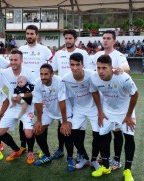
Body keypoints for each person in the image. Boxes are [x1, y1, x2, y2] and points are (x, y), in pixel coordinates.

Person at [90, 55, 138, 181]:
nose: (100, 71)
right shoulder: (94, 77)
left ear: (112, 68)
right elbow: (94, 91)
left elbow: (135, 95)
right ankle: (105, 166)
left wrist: (129, 116)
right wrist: (100, 111)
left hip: (125, 111)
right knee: (102, 135)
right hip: (107, 111)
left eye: (104, 68)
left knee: (129, 137)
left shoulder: (123, 78)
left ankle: (127, 170)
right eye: (98, 68)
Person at [50, 29, 92, 161]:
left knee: (80, 125)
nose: (67, 41)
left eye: (70, 38)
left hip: (79, 93)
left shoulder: (82, 53)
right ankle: (60, 148)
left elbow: (90, 71)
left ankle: (80, 152)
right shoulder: (58, 54)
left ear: (75, 40)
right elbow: (52, 70)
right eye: (66, 38)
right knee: (62, 121)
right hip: (64, 94)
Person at [91, 30, 130, 170]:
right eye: (104, 38)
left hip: (116, 98)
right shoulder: (97, 56)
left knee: (117, 129)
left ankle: (117, 159)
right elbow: (92, 71)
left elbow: (127, 67)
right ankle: (104, 157)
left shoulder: (118, 55)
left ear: (114, 41)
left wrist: (120, 69)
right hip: (103, 98)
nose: (105, 40)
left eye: (108, 38)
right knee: (103, 129)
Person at [62, 53, 101, 171]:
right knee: (72, 133)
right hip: (78, 108)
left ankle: (94, 160)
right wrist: (67, 119)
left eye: (77, 64)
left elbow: (106, 78)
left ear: (83, 64)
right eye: (72, 65)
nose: (75, 68)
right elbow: (65, 98)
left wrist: (117, 70)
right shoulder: (66, 79)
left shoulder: (92, 75)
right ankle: (84, 157)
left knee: (98, 134)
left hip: (93, 108)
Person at [0, 49, 36, 164]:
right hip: (13, 107)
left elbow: (35, 91)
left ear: (21, 60)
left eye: (16, 60)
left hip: (27, 107)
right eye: (11, 60)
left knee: (28, 134)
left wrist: (21, 95)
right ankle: (16, 149)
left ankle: (30, 152)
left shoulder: (29, 72)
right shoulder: (5, 73)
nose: (13, 62)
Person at [18, 25, 52, 151]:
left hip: (40, 90)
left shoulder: (44, 50)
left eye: (32, 34)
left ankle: (43, 149)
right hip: (25, 89)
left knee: (41, 118)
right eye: (27, 33)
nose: (29, 36)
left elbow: (50, 68)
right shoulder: (21, 49)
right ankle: (23, 146)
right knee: (23, 118)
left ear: (37, 35)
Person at [33, 63, 72, 168]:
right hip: (48, 111)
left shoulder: (59, 81)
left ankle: (70, 158)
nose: (43, 77)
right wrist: (39, 120)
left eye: (46, 74)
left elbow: (62, 101)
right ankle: (47, 155)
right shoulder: (37, 83)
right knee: (37, 130)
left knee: (66, 131)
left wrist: (64, 122)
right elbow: (37, 102)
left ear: (52, 74)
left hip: (63, 110)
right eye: (41, 74)